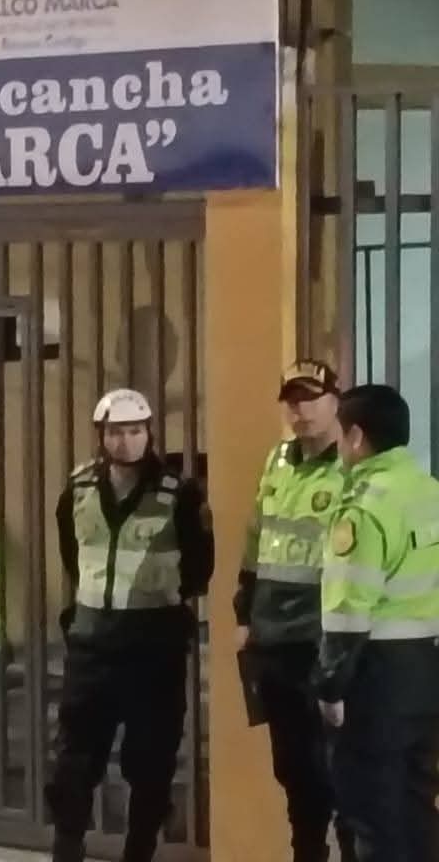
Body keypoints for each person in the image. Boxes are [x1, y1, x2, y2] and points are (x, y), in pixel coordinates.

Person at [47, 388, 213, 862]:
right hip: (93, 642)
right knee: (75, 760)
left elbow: (200, 567)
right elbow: (72, 553)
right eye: (115, 432)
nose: (125, 441)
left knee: (151, 760)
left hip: (152, 646)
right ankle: (67, 849)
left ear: (149, 433)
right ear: (101, 436)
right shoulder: (79, 487)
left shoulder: (179, 493)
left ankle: (139, 850)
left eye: (135, 431)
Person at [233, 360, 355, 862]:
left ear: (335, 400)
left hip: (322, 638)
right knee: (293, 770)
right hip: (273, 636)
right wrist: (245, 612)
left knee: (338, 769)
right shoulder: (278, 460)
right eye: (292, 400)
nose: (300, 410)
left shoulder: (351, 464)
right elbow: (256, 537)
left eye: (311, 398)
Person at [318, 384, 439, 862]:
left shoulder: (363, 506)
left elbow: (348, 610)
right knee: (417, 806)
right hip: (426, 669)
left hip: (377, 673)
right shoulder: (429, 491)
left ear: (355, 436)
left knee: (371, 810)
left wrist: (331, 686)